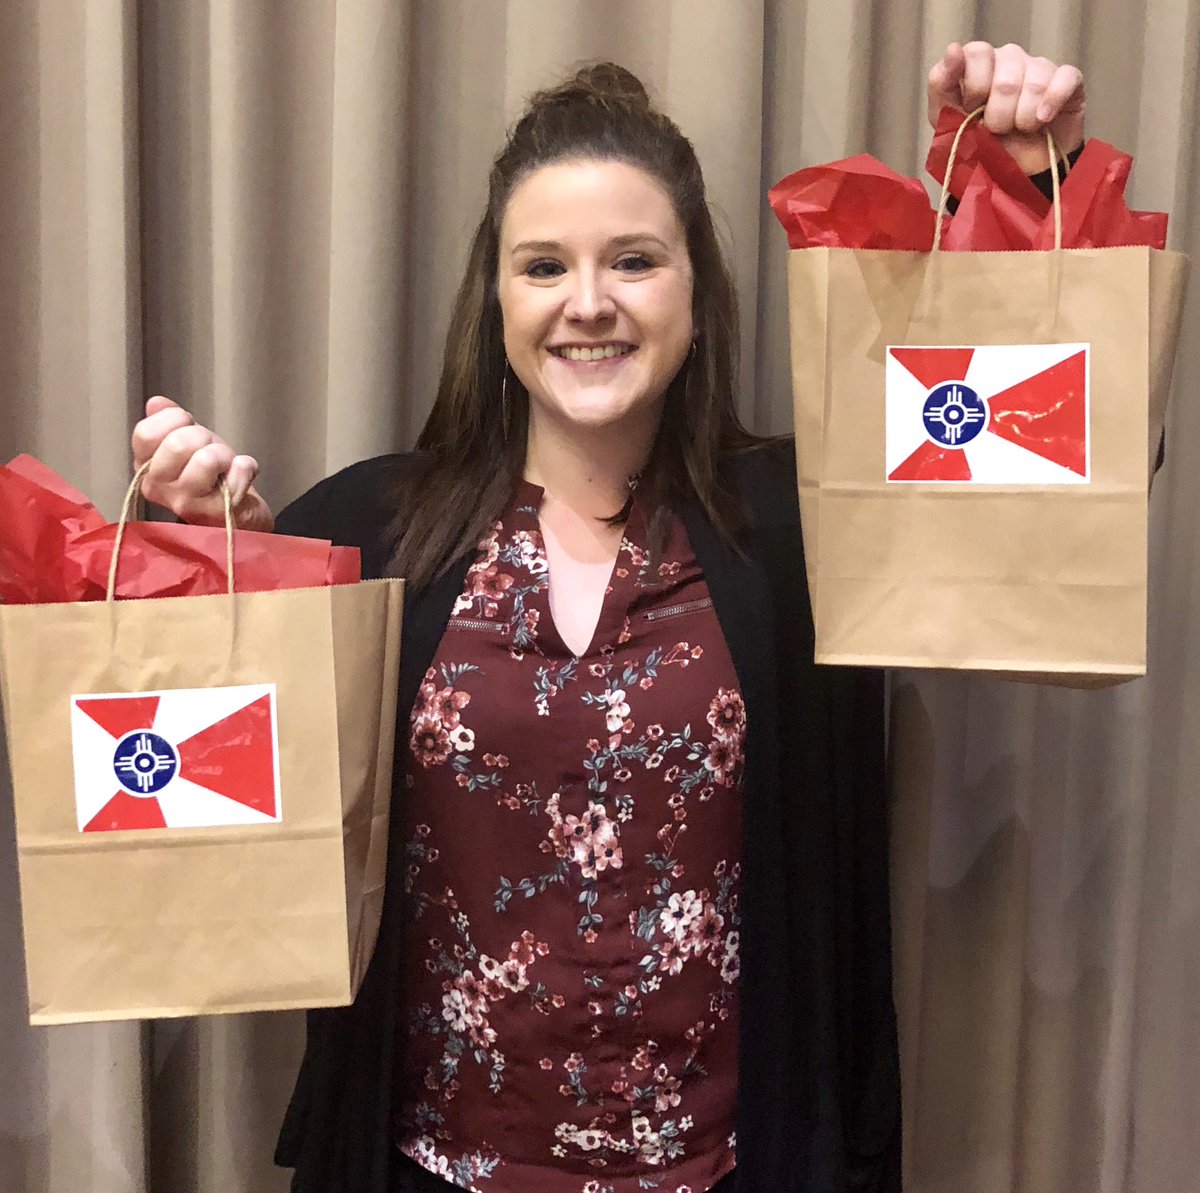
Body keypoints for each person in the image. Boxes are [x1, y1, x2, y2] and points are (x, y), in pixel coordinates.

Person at [132, 41, 1085, 1193]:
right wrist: (203, 557)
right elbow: (208, 815)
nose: (588, 303)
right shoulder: (373, 526)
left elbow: (1050, 482)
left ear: (695, 287)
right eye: (545, 266)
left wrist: (1033, 191)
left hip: (731, 1167)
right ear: (498, 297)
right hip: (425, 1167)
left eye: (633, 260)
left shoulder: (811, 526)